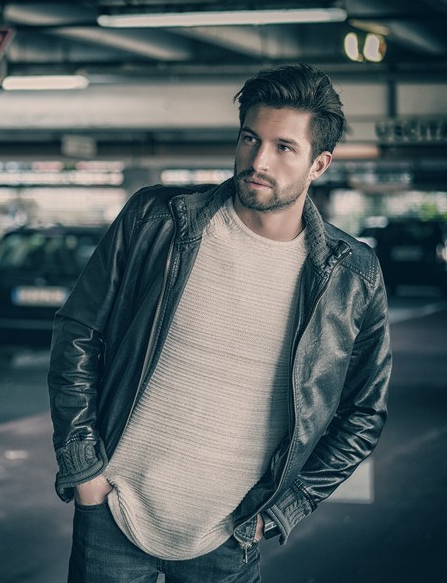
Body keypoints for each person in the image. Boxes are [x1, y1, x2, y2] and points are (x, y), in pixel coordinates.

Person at [47, 64, 392, 582]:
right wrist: (85, 469)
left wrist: (283, 509)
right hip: (113, 511)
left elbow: (363, 411)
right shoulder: (157, 220)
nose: (258, 160)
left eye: (283, 147)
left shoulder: (351, 277)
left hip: (229, 535)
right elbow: (78, 331)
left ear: (319, 164)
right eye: (250, 138)